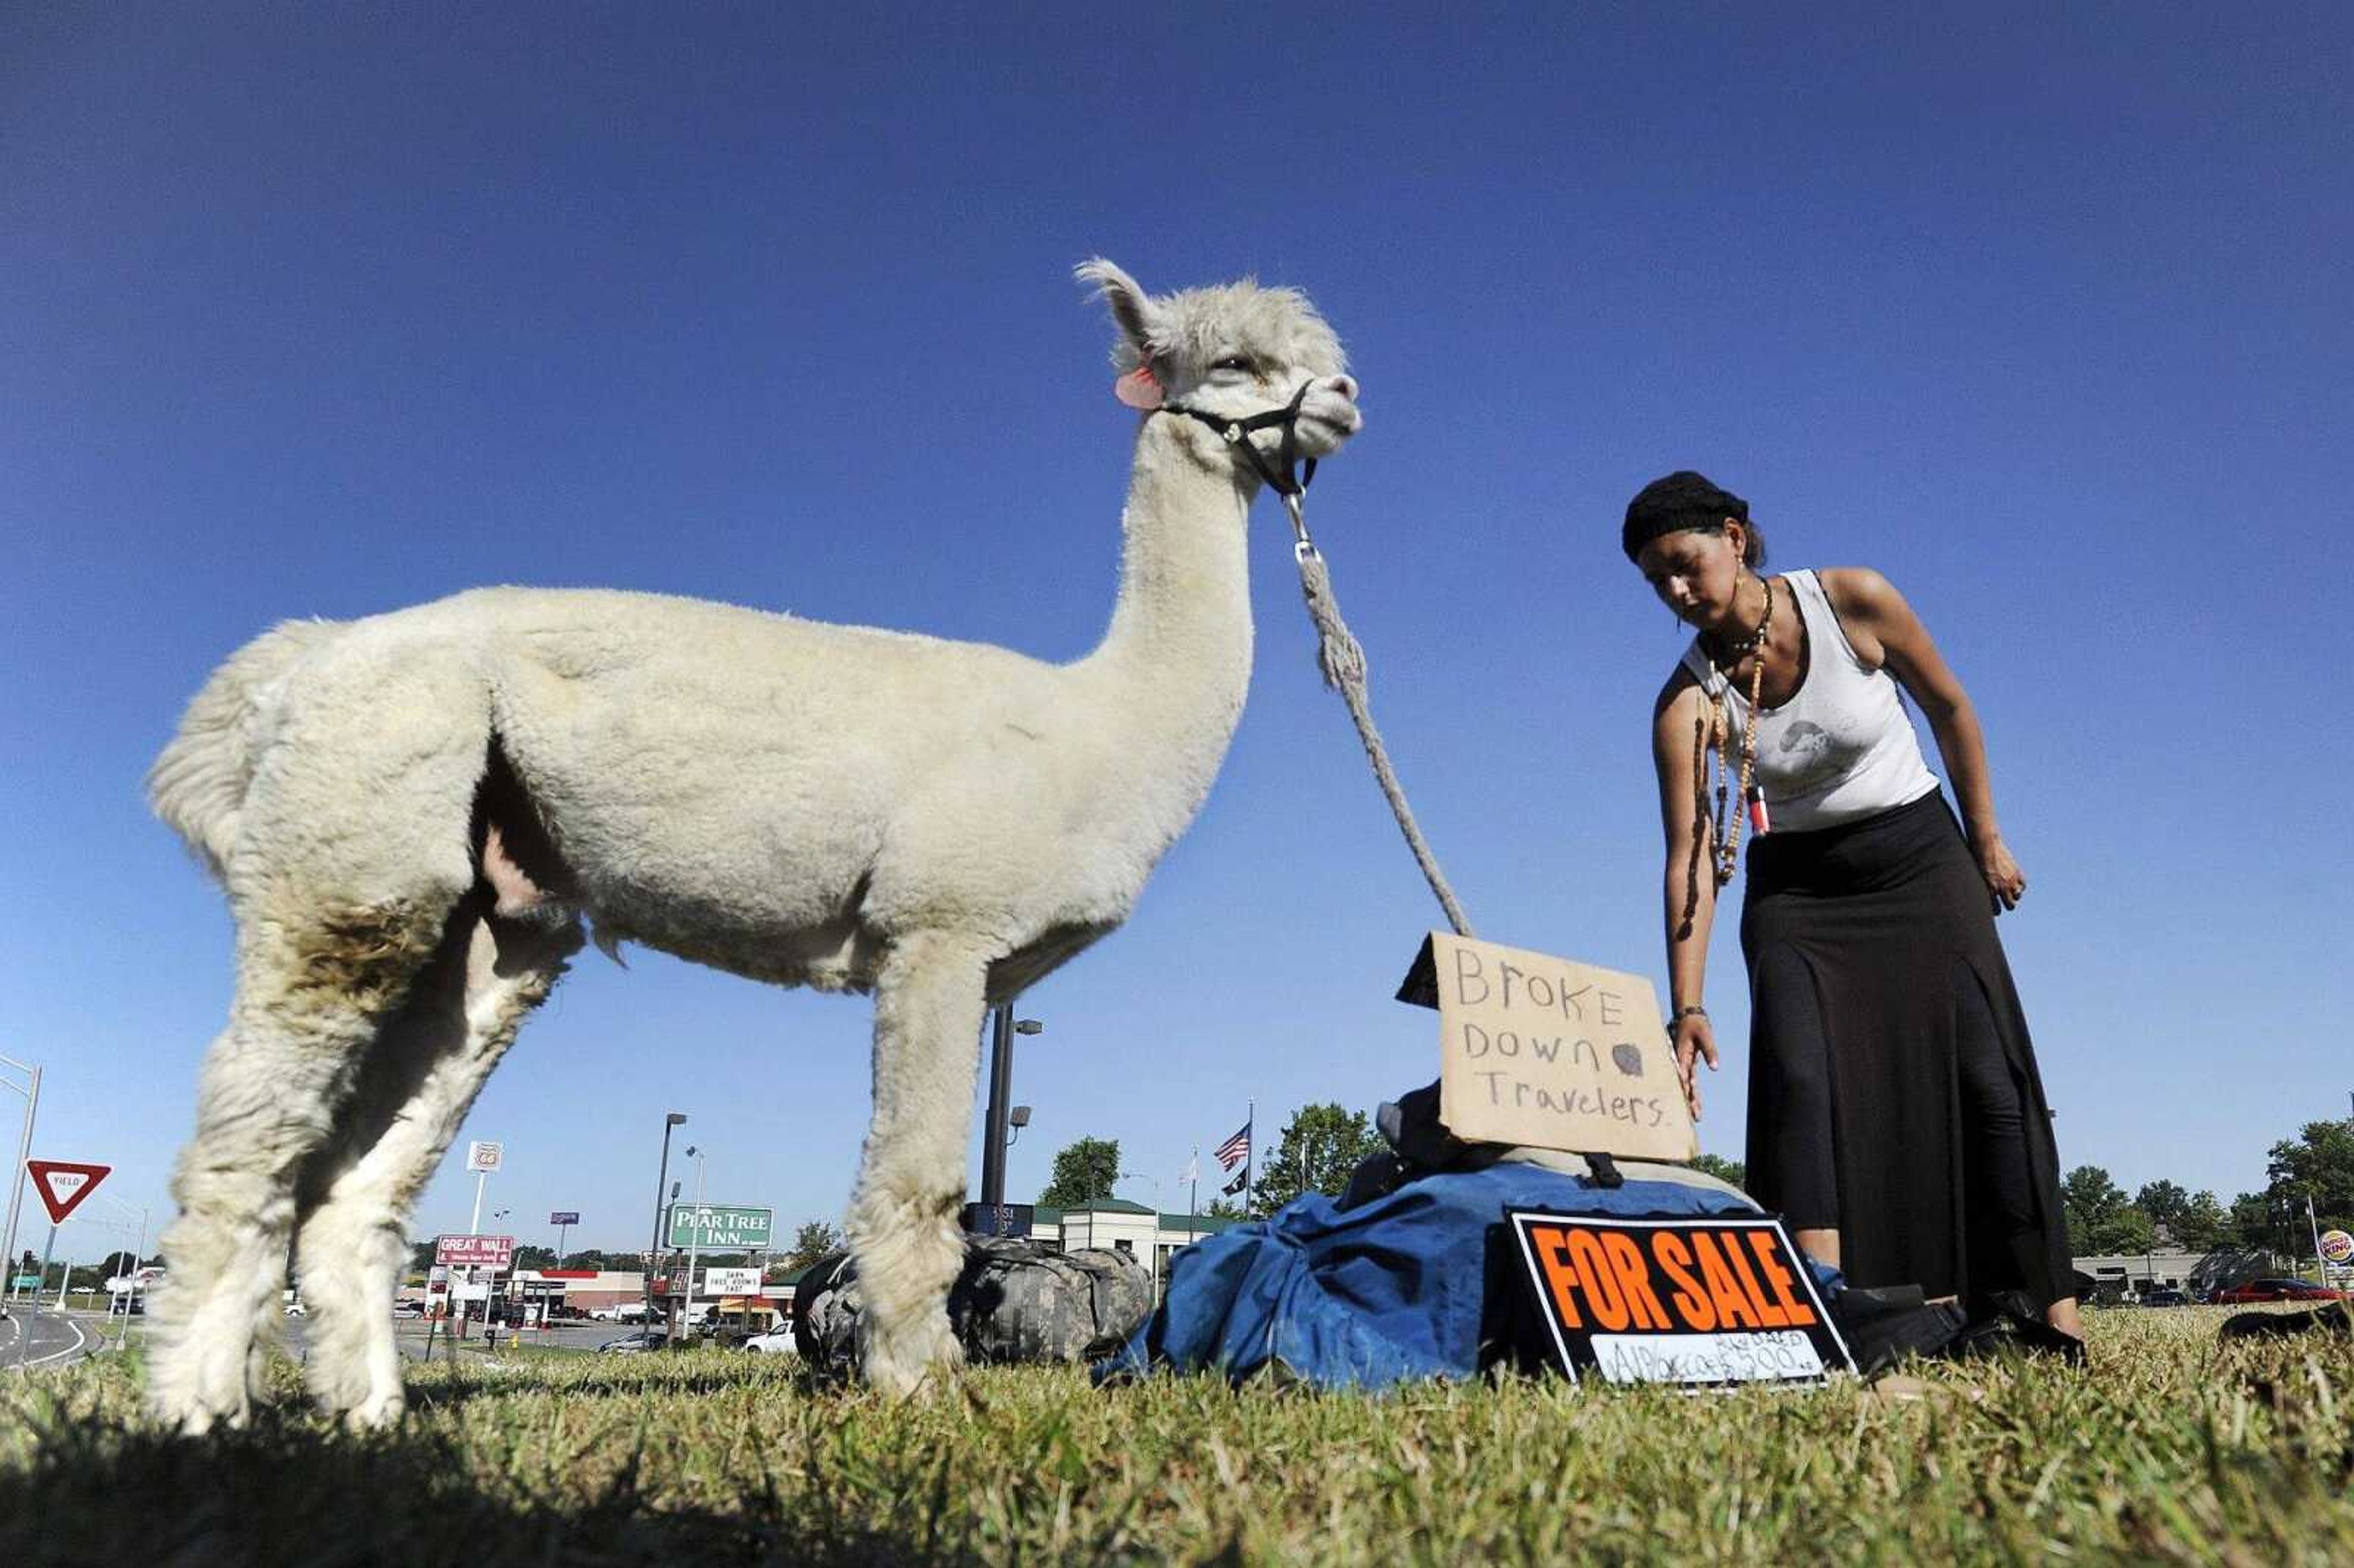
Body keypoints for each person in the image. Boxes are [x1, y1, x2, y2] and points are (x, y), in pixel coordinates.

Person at [1625, 470, 2082, 1347]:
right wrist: (1685, 1005)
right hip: (1798, 892)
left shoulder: (1851, 601)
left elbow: (1950, 707)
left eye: (1685, 564)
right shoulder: (1686, 702)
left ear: (1734, 536)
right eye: (1657, 583)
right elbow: (1689, 859)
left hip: (1918, 857)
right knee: (1802, 1082)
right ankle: (1829, 1314)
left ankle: (2046, 1308)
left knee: (1989, 1079)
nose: (1678, 593)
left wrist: (1985, 836)